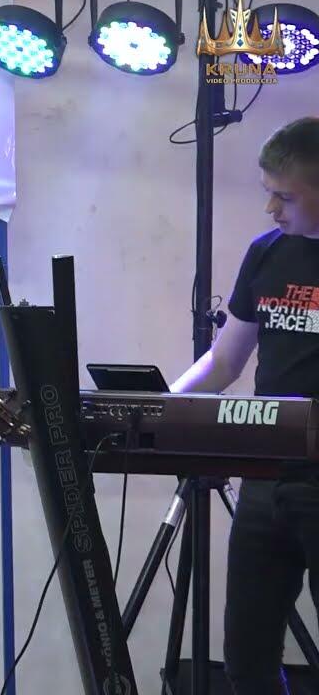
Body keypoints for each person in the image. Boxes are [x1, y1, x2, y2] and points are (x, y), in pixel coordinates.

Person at [171, 116, 319, 694]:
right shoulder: (265, 254)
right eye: (268, 193)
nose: (271, 209)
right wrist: (161, 408)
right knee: (247, 661)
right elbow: (225, 361)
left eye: (286, 197)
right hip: (264, 477)